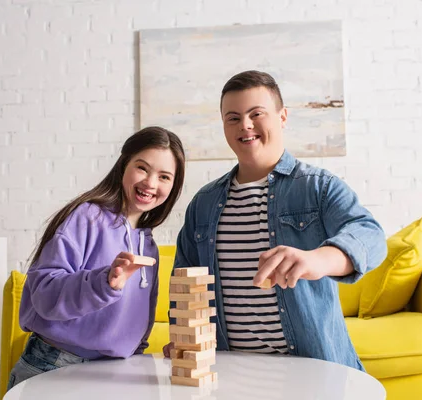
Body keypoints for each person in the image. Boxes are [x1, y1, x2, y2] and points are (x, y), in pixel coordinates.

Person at [163, 70, 387, 371]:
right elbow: (186, 281)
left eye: (257, 113)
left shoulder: (318, 187)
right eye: (233, 118)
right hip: (230, 371)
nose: (245, 125)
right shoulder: (203, 203)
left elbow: (370, 236)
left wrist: (318, 260)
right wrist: (184, 336)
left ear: (282, 117)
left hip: (312, 370)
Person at [7, 126, 185, 391]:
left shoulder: (148, 247)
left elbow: (136, 326)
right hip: (56, 365)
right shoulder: (87, 217)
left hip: (113, 372)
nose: (150, 183)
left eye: (164, 176)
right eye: (142, 168)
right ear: (124, 164)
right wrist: (104, 283)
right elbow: (44, 294)